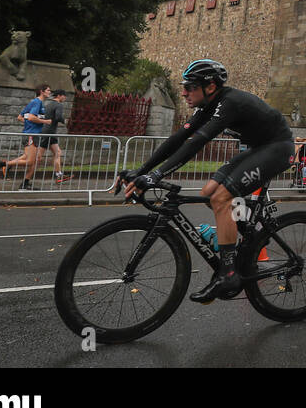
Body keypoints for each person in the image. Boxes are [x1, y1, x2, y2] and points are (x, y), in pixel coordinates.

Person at [120, 59, 295, 304]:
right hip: (260, 148)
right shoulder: (208, 106)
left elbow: (196, 143)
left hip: (278, 148)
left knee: (221, 197)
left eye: (189, 87)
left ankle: (229, 273)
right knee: (209, 192)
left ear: (210, 86)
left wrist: (156, 176)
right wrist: (142, 170)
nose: (183, 92)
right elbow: (179, 138)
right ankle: (247, 238)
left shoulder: (229, 103)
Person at [0, 84, 51, 189]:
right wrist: (44, 121)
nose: (50, 92)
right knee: (30, 161)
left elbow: (20, 117)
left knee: (37, 159)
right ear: (42, 91)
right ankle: (1, 164)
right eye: (48, 90)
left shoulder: (37, 103)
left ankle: (25, 184)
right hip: (31, 135)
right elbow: (31, 117)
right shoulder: (37, 102)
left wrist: (31, 124)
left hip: (33, 134)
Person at [41, 88, 69, 184]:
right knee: (36, 158)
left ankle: (59, 175)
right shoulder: (58, 105)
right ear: (59, 96)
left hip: (46, 131)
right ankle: (7, 164)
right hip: (50, 132)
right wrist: (65, 121)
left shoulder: (48, 104)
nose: (65, 98)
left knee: (57, 152)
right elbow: (58, 117)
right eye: (64, 96)